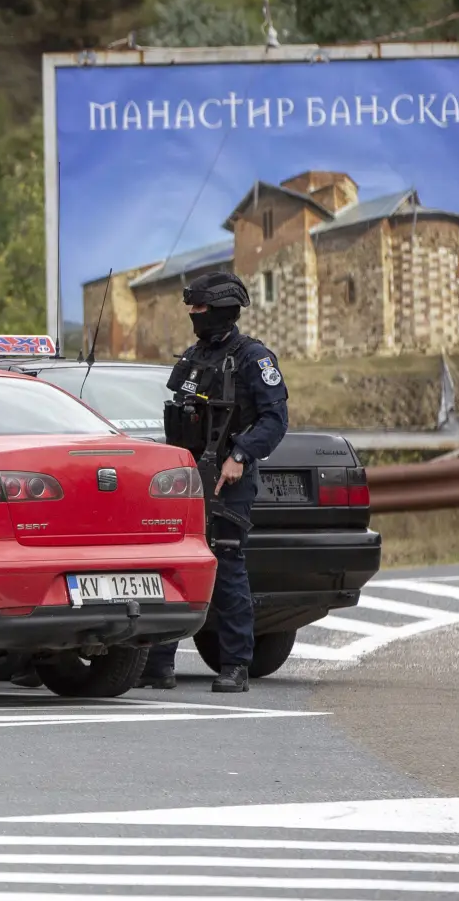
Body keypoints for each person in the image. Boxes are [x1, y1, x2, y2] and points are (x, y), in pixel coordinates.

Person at [139, 271, 287, 693]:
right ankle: (160, 665)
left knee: (226, 567)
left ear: (221, 309)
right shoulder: (192, 357)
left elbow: (275, 420)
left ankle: (236, 665)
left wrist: (240, 455)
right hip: (185, 477)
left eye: (199, 308)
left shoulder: (252, 358)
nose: (192, 314)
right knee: (175, 566)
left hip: (228, 477)